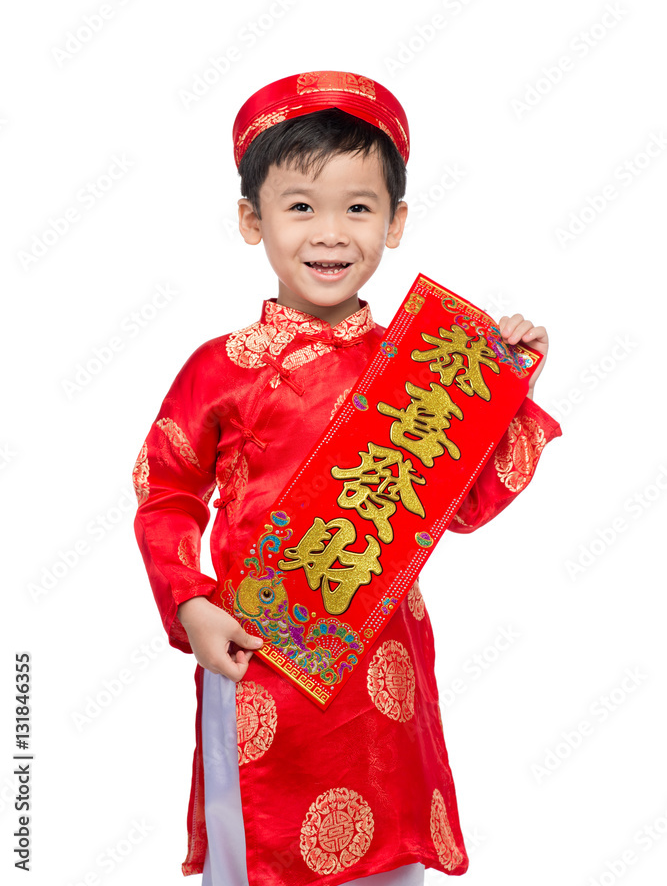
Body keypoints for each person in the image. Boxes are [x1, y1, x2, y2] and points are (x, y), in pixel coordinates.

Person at [132, 70, 562, 886]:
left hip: (378, 665)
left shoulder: (423, 370)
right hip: (258, 653)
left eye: (357, 207)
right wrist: (188, 598)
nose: (330, 232)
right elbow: (168, 491)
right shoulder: (219, 369)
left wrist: (496, 388)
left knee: (385, 856)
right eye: (300, 206)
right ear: (250, 220)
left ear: (394, 223)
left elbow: (459, 510)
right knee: (252, 851)